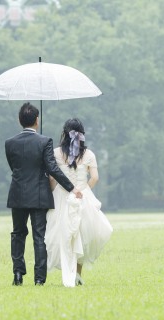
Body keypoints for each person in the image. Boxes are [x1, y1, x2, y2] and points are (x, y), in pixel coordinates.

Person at [5, 102, 82, 286]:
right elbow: (52, 168)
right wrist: (71, 187)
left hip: (17, 194)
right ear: (37, 121)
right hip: (39, 195)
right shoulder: (44, 141)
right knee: (39, 236)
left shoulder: (10, 143)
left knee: (18, 233)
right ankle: (39, 279)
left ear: (19, 120)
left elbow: (14, 167)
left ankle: (17, 273)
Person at [45, 118, 113, 287]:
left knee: (63, 234)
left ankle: (67, 270)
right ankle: (77, 274)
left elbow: (53, 178)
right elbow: (95, 178)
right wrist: (84, 191)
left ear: (64, 134)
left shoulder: (56, 153)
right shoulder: (89, 155)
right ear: (82, 135)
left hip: (61, 197)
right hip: (82, 197)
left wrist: (52, 191)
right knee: (82, 235)